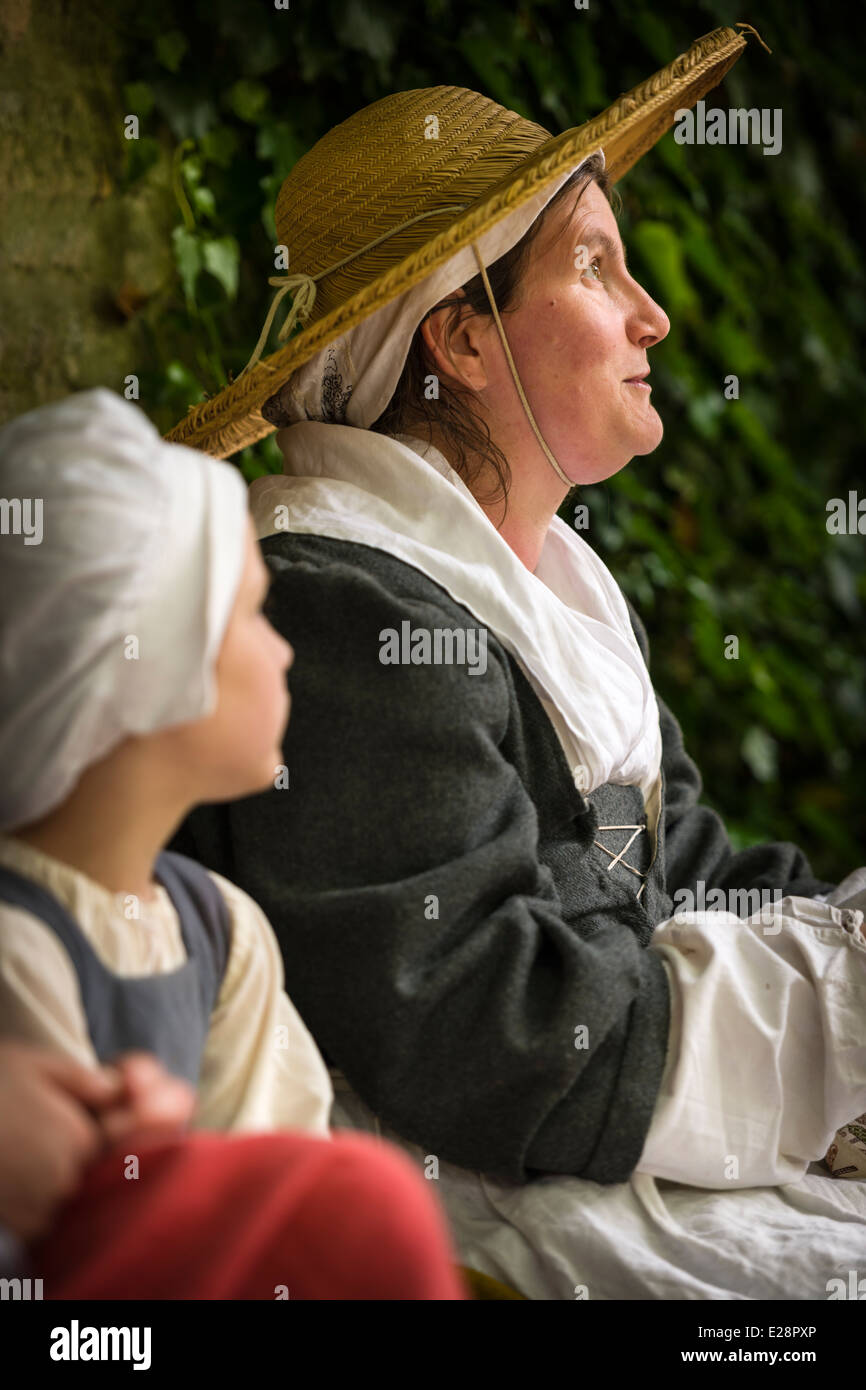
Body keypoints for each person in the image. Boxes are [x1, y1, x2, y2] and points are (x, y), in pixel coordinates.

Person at [164, 37, 866, 1297]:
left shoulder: (546, 591)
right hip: (448, 1209)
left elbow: (668, 865)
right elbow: (480, 1026)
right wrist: (829, 1015)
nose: (650, 314)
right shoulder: (341, 608)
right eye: (593, 265)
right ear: (464, 342)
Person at [0, 390, 466, 1300]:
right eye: (253, 613)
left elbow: (278, 1175)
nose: (285, 650)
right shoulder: (20, 945)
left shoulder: (222, 930)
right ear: (152, 668)